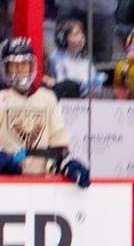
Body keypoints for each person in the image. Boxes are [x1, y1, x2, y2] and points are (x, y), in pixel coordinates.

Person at [0, 36, 91, 183]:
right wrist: (5, 161)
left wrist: (66, 162)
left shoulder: (48, 98)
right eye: (14, 66)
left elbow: (58, 141)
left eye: (24, 65)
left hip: (42, 182)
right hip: (7, 182)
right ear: (5, 69)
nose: (20, 71)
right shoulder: (2, 98)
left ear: (33, 66)